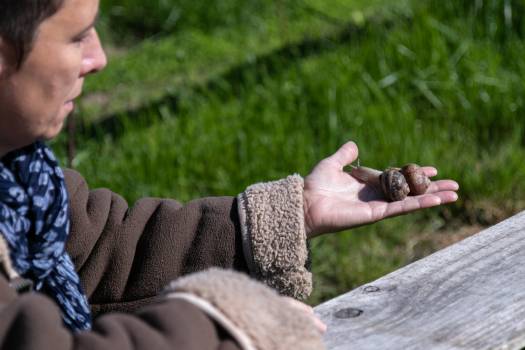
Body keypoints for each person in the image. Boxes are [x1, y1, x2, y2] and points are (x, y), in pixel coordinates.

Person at [0, 0, 459, 349]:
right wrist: (216, 321)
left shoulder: (23, 183)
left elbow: (103, 246)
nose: (99, 58)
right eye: (78, 37)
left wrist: (285, 215)